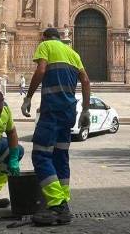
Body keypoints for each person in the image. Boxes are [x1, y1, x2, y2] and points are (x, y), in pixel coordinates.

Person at [21, 27, 91, 226]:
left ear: (45, 37)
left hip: (51, 108)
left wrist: (28, 96)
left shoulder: (45, 46)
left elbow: (41, 70)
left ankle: (56, 204)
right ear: (61, 38)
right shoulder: (73, 53)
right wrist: (85, 110)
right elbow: (85, 81)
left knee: (41, 155)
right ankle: (64, 205)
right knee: (61, 156)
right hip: (69, 111)